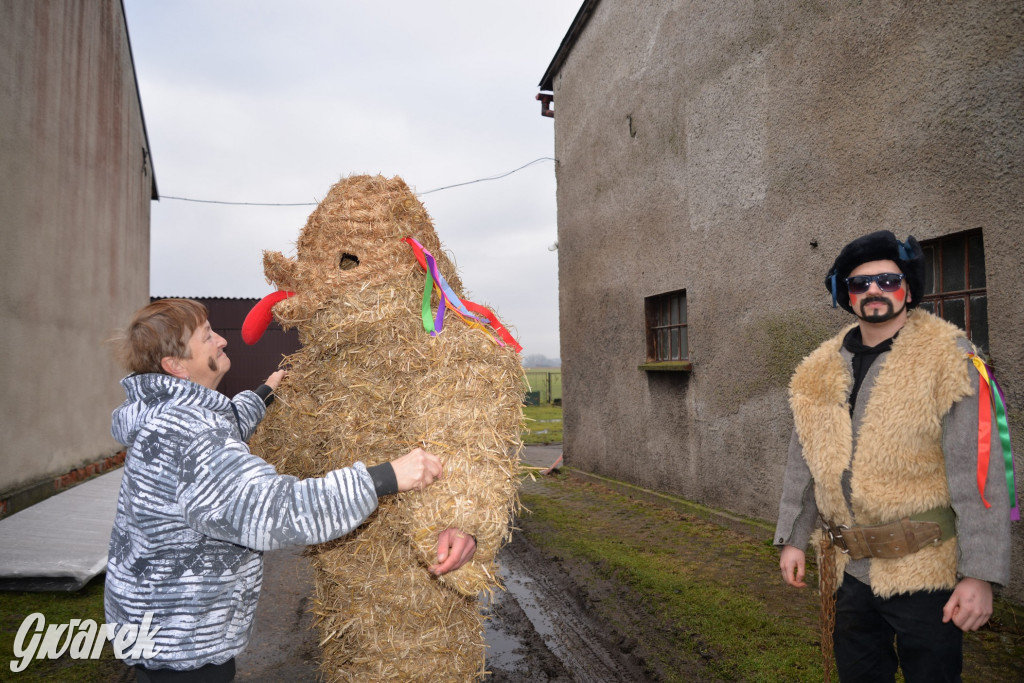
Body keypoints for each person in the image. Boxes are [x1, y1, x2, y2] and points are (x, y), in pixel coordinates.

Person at [105, 298, 477, 682]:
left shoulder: (170, 415)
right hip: (183, 644)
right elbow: (276, 510)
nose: (222, 341)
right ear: (176, 366)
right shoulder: (186, 436)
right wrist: (384, 477)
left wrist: (264, 393)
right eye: (207, 336)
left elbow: (223, 423)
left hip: (157, 621)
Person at [774, 231, 1012, 682]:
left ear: (907, 287)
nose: (874, 291)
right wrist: (792, 537)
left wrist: (979, 574)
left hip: (926, 571)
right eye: (860, 284)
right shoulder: (819, 369)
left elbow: (980, 472)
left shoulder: (950, 358)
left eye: (886, 280)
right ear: (846, 295)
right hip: (849, 572)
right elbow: (805, 461)